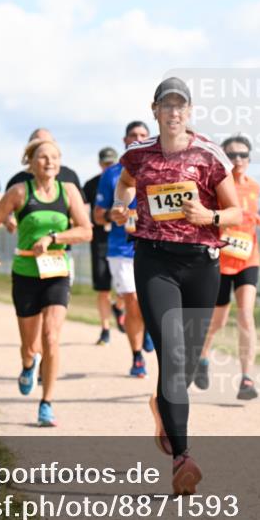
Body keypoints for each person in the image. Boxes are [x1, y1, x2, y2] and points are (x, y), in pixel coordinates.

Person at [110, 77, 242, 495]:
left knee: (183, 366)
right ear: (154, 110)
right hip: (154, 260)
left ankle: (161, 406)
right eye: (166, 106)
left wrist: (210, 217)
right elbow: (126, 182)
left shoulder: (208, 154)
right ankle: (183, 458)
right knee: (172, 351)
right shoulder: (138, 154)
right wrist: (120, 206)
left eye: (180, 106)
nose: (173, 112)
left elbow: (237, 210)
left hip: (202, 264)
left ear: (189, 111)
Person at [0, 138, 92, 427]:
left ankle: (47, 403)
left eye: (55, 157)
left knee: (52, 338)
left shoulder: (68, 192)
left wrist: (54, 238)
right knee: (30, 345)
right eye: (43, 157)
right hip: (26, 272)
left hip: (57, 271)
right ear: (31, 163)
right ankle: (29, 365)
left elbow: (85, 231)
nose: (50, 162)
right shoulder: (19, 192)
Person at [197, 135, 260, 400]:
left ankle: (246, 379)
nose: (238, 160)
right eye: (232, 155)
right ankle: (203, 357)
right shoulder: (217, 186)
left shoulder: (254, 186)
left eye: (243, 155)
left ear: (250, 159)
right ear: (223, 159)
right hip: (220, 261)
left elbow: (248, 213)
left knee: (246, 315)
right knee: (216, 322)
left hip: (248, 259)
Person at [95, 121, 156, 378]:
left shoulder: (157, 168)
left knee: (148, 303)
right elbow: (98, 216)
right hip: (121, 248)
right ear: (125, 140)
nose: (138, 138)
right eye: (134, 135)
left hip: (153, 244)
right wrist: (115, 214)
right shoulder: (111, 175)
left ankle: (149, 329)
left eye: (143, 135)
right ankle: (137, 356)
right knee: (132, 301)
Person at [83, 146, 126, 345]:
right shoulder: (91, 184)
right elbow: (85, 212)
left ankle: (118, 306)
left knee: (125, 289)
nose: (108, 165)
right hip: (100, 241)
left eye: (111, 162)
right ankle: (105, 328)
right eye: (105, 162)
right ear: (100, 163)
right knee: (102, 289)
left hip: (121, 241)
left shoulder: (123, 179)